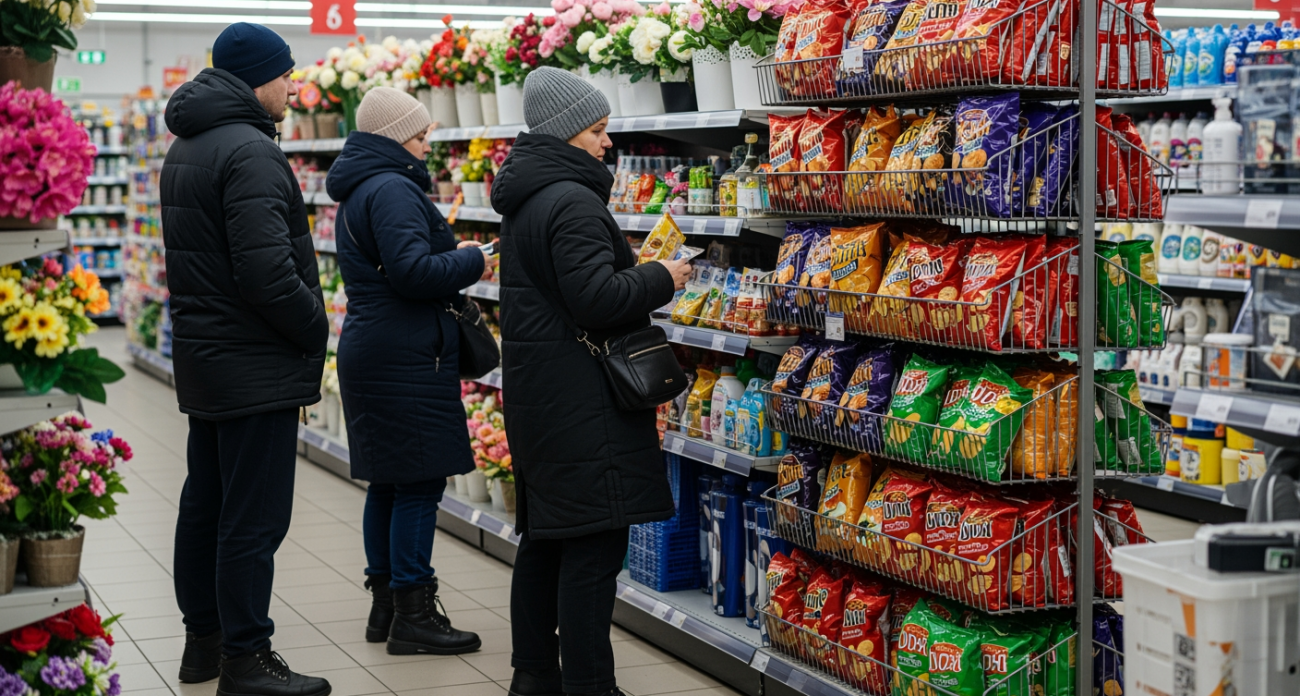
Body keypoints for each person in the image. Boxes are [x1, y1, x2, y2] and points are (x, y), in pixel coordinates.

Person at [490, 67, 692, 696]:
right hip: (584, 402)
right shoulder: (571, 199)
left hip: (543, 393)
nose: (608, 143)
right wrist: (662, 275)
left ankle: (533, 675)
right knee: (593, 553)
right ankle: (588, 684)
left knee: (546, 540)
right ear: (566, 133)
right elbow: (597, 299)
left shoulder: (527, 197)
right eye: (598, 130)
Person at [161, 22, 331, 696]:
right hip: (255, 361)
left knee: (206, 502)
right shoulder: (251, 151)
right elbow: (268, 275)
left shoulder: (190, 142)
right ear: (258, 77)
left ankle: (202, 643)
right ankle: (247, 659)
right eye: (286, 72)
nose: (294, 84)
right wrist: (314, 325)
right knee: (253, 516)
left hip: (209, 358)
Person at [325, 87, 492, 655]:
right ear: (395, 133)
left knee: (391, 482)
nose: (428, 137)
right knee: (419, 483)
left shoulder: (360, 187)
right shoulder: (394, 187)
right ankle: (415, 614)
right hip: (404, 353)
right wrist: (473, 258)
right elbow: (414, 273)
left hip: (375, 345)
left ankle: (387, 606)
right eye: (420, 130)